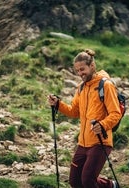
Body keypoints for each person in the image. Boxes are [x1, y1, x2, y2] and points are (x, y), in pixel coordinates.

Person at [48, 49, 121, 188]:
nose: (80, 73)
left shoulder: (106, 85)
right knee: (75, 181)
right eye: (77, 71)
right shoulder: (81, 87)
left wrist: (103, 124)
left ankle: (110, 186)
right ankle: (111, 185)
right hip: (83, 142)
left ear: (92, 66)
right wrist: (58, 104)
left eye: (82, 69)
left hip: (100, 142)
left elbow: (115, 113)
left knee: (87, 181)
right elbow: (74, 111)